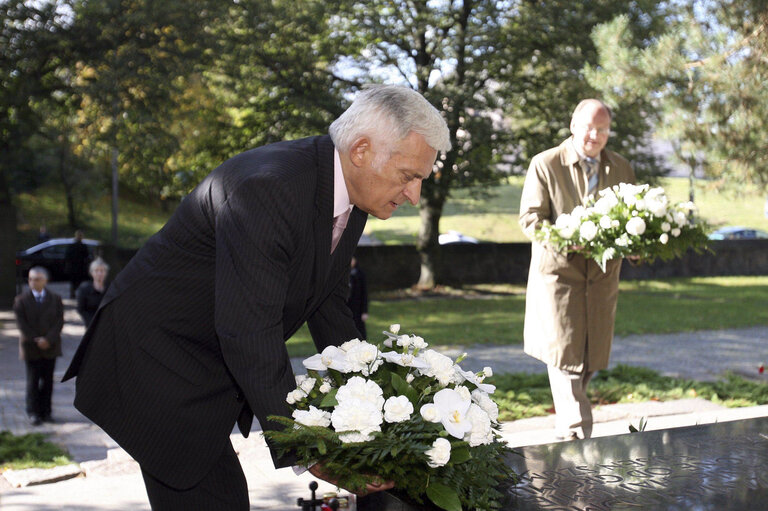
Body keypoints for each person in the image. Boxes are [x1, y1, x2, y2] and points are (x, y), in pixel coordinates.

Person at [63, 84, 450, 510]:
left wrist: (381, 408)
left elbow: (330, 309)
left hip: (200, 359)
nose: (414, 196)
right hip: (151, 361)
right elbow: (249, 330)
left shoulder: (352, 196)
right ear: (360, 150)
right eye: (408, 176)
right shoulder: (270, 188)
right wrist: (309, 448)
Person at [518, 99, 636, 441]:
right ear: (573, 126)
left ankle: (565, 438)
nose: (594, 135)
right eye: (588, 127)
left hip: (600, 281)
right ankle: (577, 436)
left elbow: (632, 219)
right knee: (565, 356)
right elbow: (530, 219)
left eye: (602, 129)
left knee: (587, 360)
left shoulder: (622, 168)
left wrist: (639, 248)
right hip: (559, 279)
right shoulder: (545, 164)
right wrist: (567, 240)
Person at [13, 266, 64, 426]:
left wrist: (48, 339)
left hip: (51, 346)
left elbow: (59, 321)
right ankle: (33, 412)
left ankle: (46, 412)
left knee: (48, 381)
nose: (33, 282)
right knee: (33, 381)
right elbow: (22, 324)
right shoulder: (21, 300)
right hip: (31, 348)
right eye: (30, 279)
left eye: (37, 279)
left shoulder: (55, 298)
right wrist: (36, 339)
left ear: (45, 281)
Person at [76, 257, 110, 328]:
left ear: (106, 273)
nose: (99, 273)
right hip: (91, 325)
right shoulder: (84, 289)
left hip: (108, 325)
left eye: (102, 271)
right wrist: (92, 322)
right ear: (92, 273)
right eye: (96, 271)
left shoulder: (110, 288)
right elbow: (81, 309)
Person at [347, 256, 369, 339]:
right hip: (348, 305)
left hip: (358, 306)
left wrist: (365, 311)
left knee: (359, 327)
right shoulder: (344, 274)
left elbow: (364, 293)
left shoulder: (360, 274)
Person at [65, 230, 91, 298]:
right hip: (80, 267)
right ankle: (79, 295)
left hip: (73, 267)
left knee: (73, 282)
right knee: (80, 282)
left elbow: (67, 257)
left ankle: (73, 294)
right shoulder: (83, 246)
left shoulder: (71, 246)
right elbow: (87, 257)